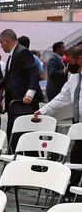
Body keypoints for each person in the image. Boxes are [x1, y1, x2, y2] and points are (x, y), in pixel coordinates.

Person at [35, 45, 82, 183]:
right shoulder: (74, 77)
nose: (68, 65)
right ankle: (70, 189)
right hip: (78, 124)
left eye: (70, 62)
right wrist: (43, 110)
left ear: (80, 59)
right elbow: (62, 98)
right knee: (75, 156)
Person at [0, 28, 42, 146]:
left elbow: (33, 73)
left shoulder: (22, 52)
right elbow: (9, 77)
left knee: (22, 136)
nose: (1, 46)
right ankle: (14, 156)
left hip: (23, 103)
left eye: (1, 43)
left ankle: (24, 159)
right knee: (12, 133)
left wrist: (30, 93)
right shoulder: (12, 56)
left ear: (6, 41)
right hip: (14, 103)